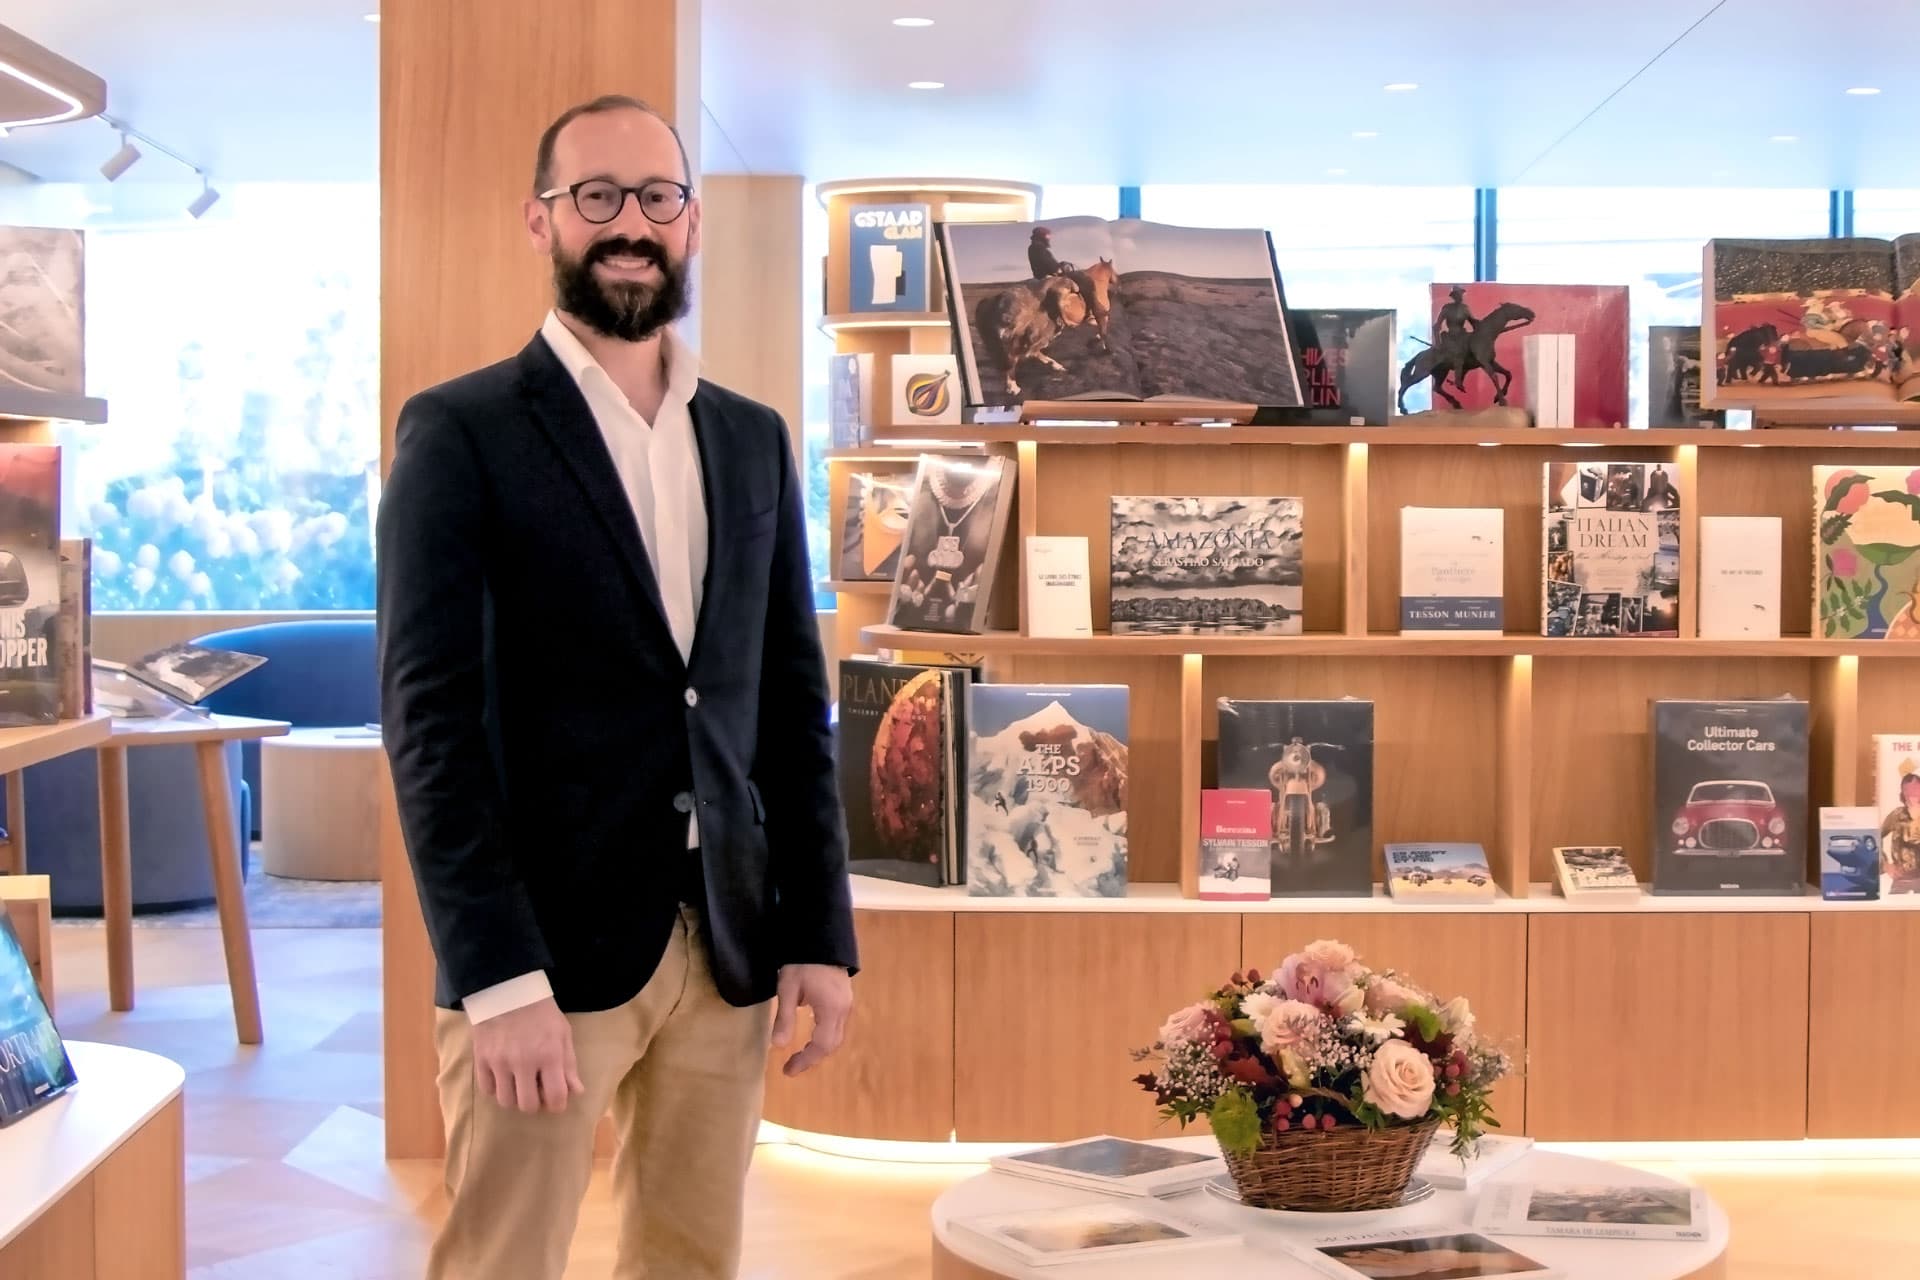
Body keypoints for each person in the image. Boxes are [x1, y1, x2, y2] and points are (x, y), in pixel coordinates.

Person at [378, 94, 858, 1280]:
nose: (629, 223)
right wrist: (494, 977)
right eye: (596, 196)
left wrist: (821, 931)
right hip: (543, 956)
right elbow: (428, 724)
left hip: (726, 946)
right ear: (540, 222)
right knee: (505, 1259)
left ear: (690, 220)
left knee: (693, 1259)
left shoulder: (751, 438)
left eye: (656, 196)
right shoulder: (461, 431)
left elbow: (790, 709)